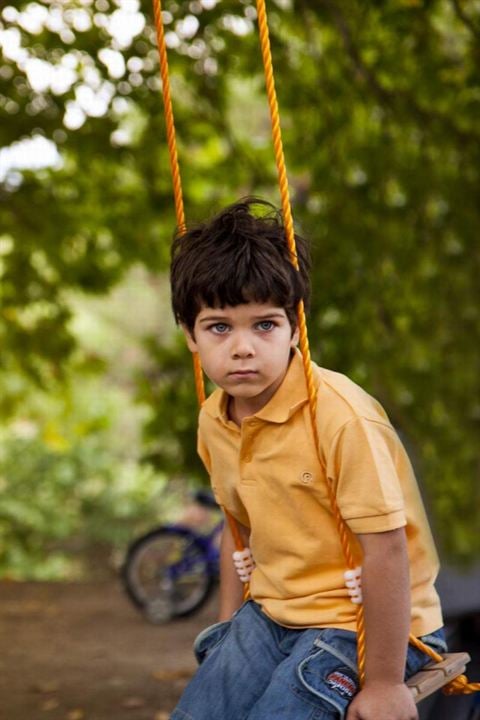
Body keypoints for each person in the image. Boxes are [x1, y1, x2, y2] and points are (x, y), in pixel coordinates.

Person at [169, 198, 445, 720]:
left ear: (296, 327)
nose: (243, 348)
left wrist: (385, 683)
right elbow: (238, 526)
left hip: (367, 621)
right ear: (190, 335)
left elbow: (386, 550)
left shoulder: (341, 418)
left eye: (265, 325)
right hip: (273, 613)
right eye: (219, 327)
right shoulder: (214, 419)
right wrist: (229, 624)